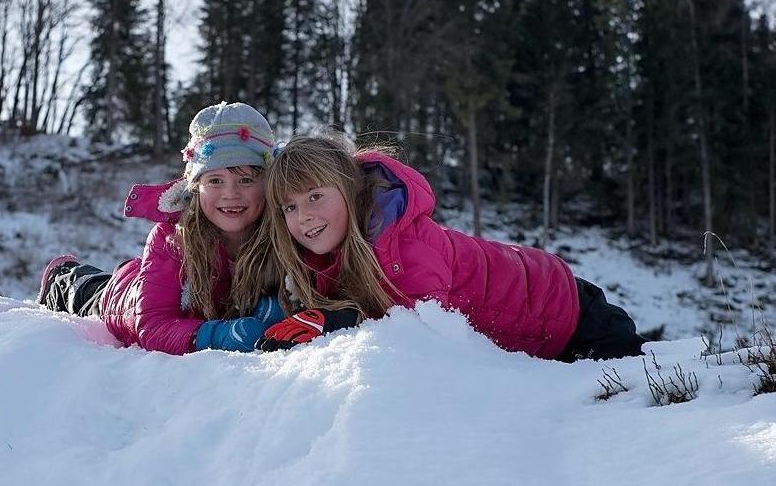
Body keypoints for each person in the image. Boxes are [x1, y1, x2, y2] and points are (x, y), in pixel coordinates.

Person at [256, 133, 647, 362]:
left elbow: (424, 331)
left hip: (574, 314)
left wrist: (340, 322)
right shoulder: (330, 256)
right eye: (289, 206)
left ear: (349, 189)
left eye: (314, 197)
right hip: (541, 324)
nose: (302, 215)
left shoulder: (404, 246)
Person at [35, 102, 284, 355]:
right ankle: (62, 276)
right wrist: (216, 335)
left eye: (246, 180)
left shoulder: (285, 232)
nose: (231, 194)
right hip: (126, 301)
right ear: (195, 188)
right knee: (92, 292)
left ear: (268, 183)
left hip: (151, 280)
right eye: (215, 181)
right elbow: (152, 324)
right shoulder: (173, 239)